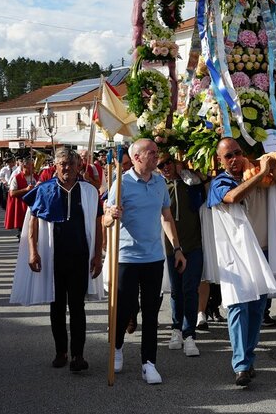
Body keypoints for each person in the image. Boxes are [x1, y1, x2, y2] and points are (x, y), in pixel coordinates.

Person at [206, 139, 276, 386]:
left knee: (256, 310)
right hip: (237, 257)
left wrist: (275, 175)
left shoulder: (266, 179)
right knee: (238, 307)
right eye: (228, 156)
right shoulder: (221, 182)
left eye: (238, 153)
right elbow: (232, 198)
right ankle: (240, 365)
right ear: (221, 161)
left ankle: (248, 360)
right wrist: (261, 174)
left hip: (264, 252)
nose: (234, 159)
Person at [10, 147, 103, 372]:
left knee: (78, 307)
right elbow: (32, 221)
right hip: (54, 256)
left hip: (80, 256)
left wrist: (98, 255)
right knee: (57, 306)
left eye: (71, 164)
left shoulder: (89, 191)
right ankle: (60, 351)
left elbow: (98, 224)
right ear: (56, 167)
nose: (67, 169)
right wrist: (33, 251)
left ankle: (78, 355)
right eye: (62, 165)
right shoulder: (45, 189)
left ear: (78, 166)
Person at [104, 139, 186, 385]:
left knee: (151, 313)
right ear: (137, 157)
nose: (156, 155)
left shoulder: (160, 182)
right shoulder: (122, 182)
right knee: (125, 309)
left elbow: (167, 216)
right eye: (151, 152)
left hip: (154, 257)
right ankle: (116, 347)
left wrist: (178, 248)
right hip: (127, 257)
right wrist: (112, 215)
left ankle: (148, 363)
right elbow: (105, 220)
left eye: (156, 151)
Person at [158, 154, 204, 357]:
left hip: (194, 245)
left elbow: (207, 181)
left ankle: (189, 335)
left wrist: (191, 170)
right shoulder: (159, 186)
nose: (165, 167)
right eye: (160, 165)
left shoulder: (191, 182)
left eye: (168, 162)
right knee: (176, 290)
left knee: (190, 289)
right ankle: (176, 329)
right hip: (170, 248)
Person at [4, 159, 38, 241]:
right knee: (23, 227)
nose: (33, 168)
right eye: (31, 166)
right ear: (25, 167)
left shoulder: (36, 177)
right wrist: (26, 190)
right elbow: (12, 193)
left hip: (34, 205)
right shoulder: (17, 178)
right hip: (22, 207)